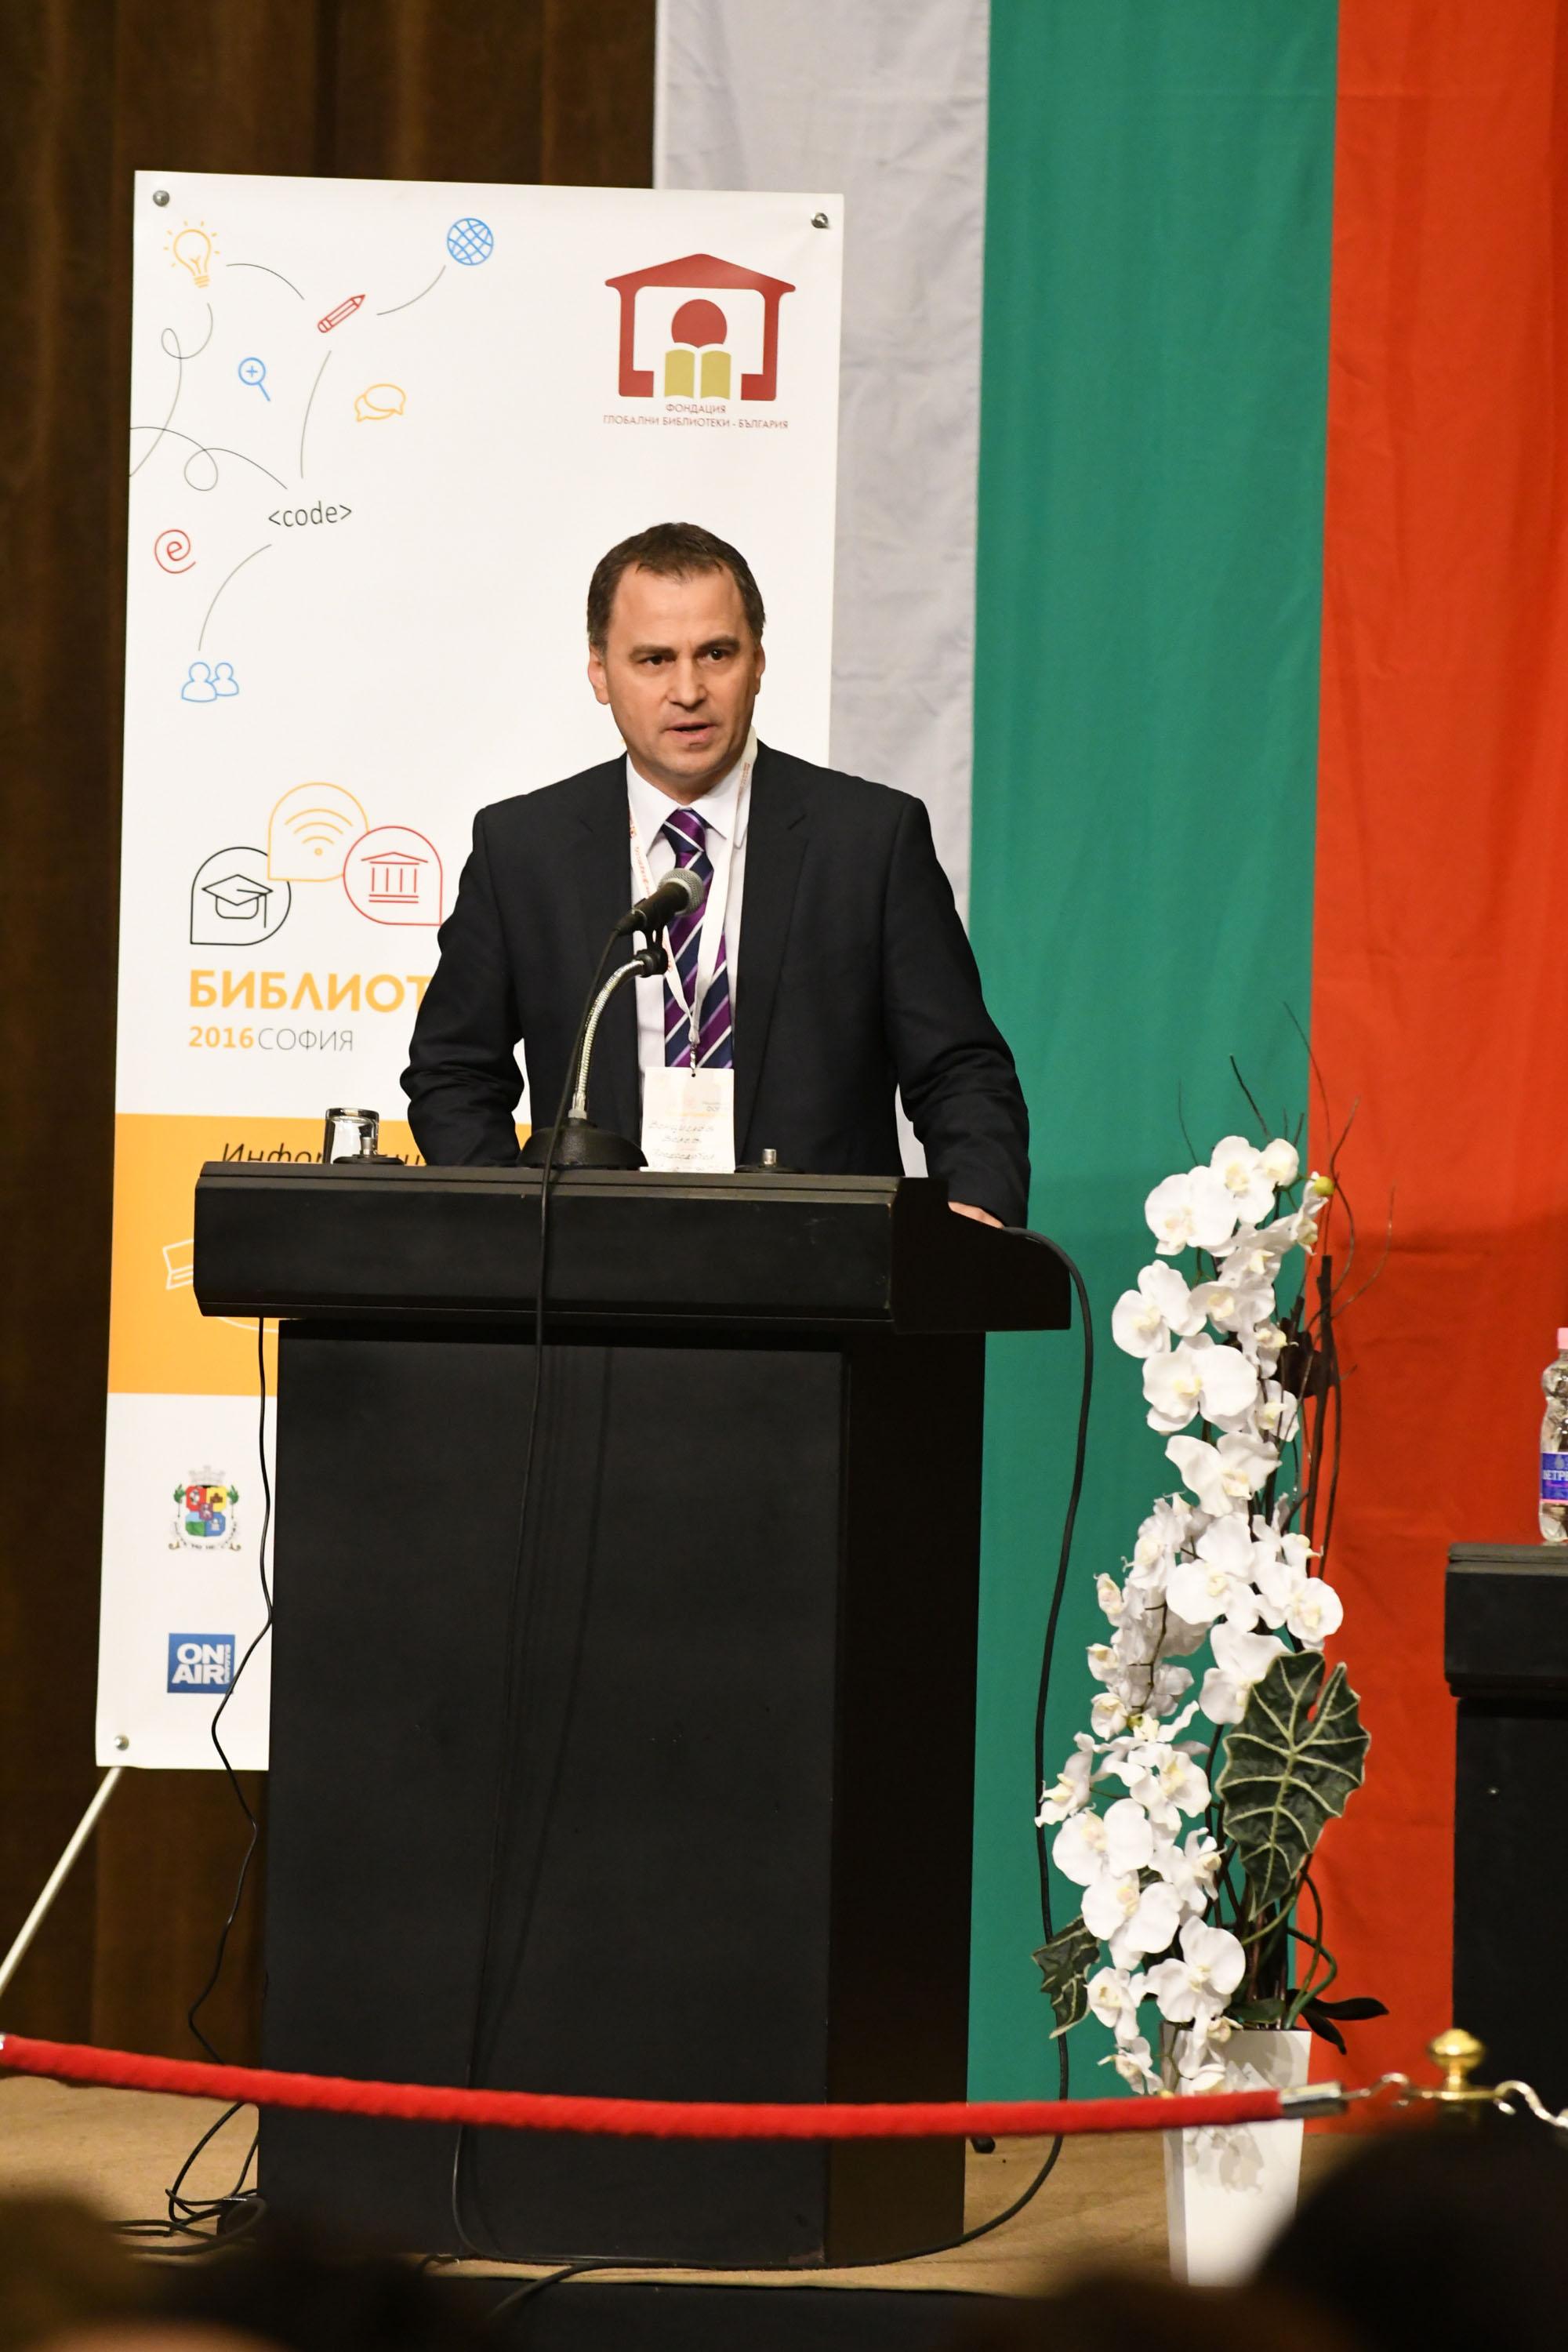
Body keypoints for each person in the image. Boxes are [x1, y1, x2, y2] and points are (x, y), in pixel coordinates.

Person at [404, 522, 1029, 1225]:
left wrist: (976, 1210)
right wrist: (514, 1222)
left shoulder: (869, 840)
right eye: (654, 659)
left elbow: (960, 1070)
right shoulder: (522, 848)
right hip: (592, 1262)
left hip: (821, 1262)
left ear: (757, 661)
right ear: (600, 673)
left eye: (716, 653)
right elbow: (453, 1068)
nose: (688, 690)